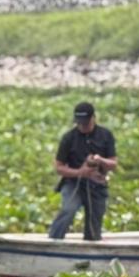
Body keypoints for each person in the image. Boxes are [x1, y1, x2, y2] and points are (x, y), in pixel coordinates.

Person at [47, 101, 118, 242]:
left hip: (97, 186)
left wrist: (100, 160)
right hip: (74, 184)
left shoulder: (105, 135)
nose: (82, 126)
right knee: (68, 209)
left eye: (85, 123)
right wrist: (80, 172)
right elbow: (59, 167)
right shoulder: (68, 138)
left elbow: (113, 163)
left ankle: (91, 245)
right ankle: (53, 240)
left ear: (93, 118)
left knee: (94, 224)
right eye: (79, 123)